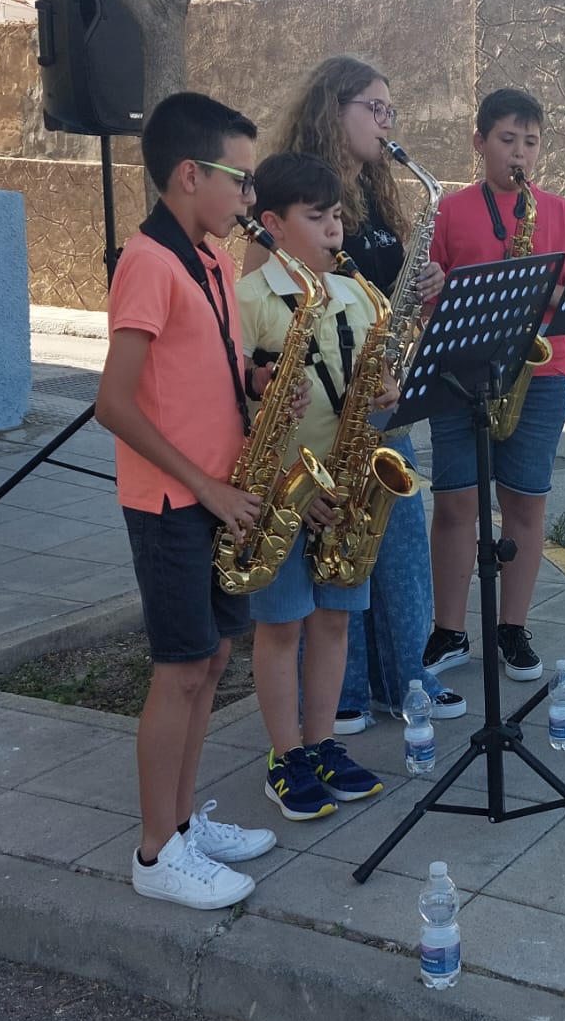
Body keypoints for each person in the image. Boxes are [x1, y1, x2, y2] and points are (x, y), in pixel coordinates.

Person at [94, 92, 278, 910]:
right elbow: (116, 402)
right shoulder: (149, 261)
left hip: (219, 493)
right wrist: (204, 483)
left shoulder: (209, 261)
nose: (248, 199)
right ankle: (154, 849)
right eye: (240, 180)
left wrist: (259, 381)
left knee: (212, 659)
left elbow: (206, 370)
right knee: (177, 669)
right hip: (173, 502)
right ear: (188, 174)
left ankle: (182, 822)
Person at [260, 55, 468, 730]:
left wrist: (424, 283)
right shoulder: (299, 188)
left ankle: (404, 677)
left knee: (397, 543)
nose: (386, 123)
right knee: (332, 553)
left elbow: (388, 288)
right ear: (333, 107)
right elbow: (272, 293)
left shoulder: (380, 193)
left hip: (381, 394)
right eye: (373, 108)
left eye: (390, 111)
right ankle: (340, 694)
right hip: (327, 402)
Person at [234, 151, 388, 821]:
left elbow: (382, 389)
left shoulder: (359, 296)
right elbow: (229, 403)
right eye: (317, 217)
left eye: (338, 217)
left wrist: (388, 392)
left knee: (333, 621)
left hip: (346, 486)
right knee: (281, 628)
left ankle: (322, 742)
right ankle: (285, 753)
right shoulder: (249, 300)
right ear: (271, 223)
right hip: (277, 489)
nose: (335, 231)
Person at [425, 87, 565, 679]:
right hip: (460, 373)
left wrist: (543, 290)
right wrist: (435, 288)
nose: (519, 153)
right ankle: (448, 631)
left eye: (531, 143)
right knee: (455, 504)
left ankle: (513, 628)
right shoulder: (449, 210)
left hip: (539, 375)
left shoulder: (561, 215)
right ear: (480, 142)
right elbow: (428, 293)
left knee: (524, 503)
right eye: (507, 140)